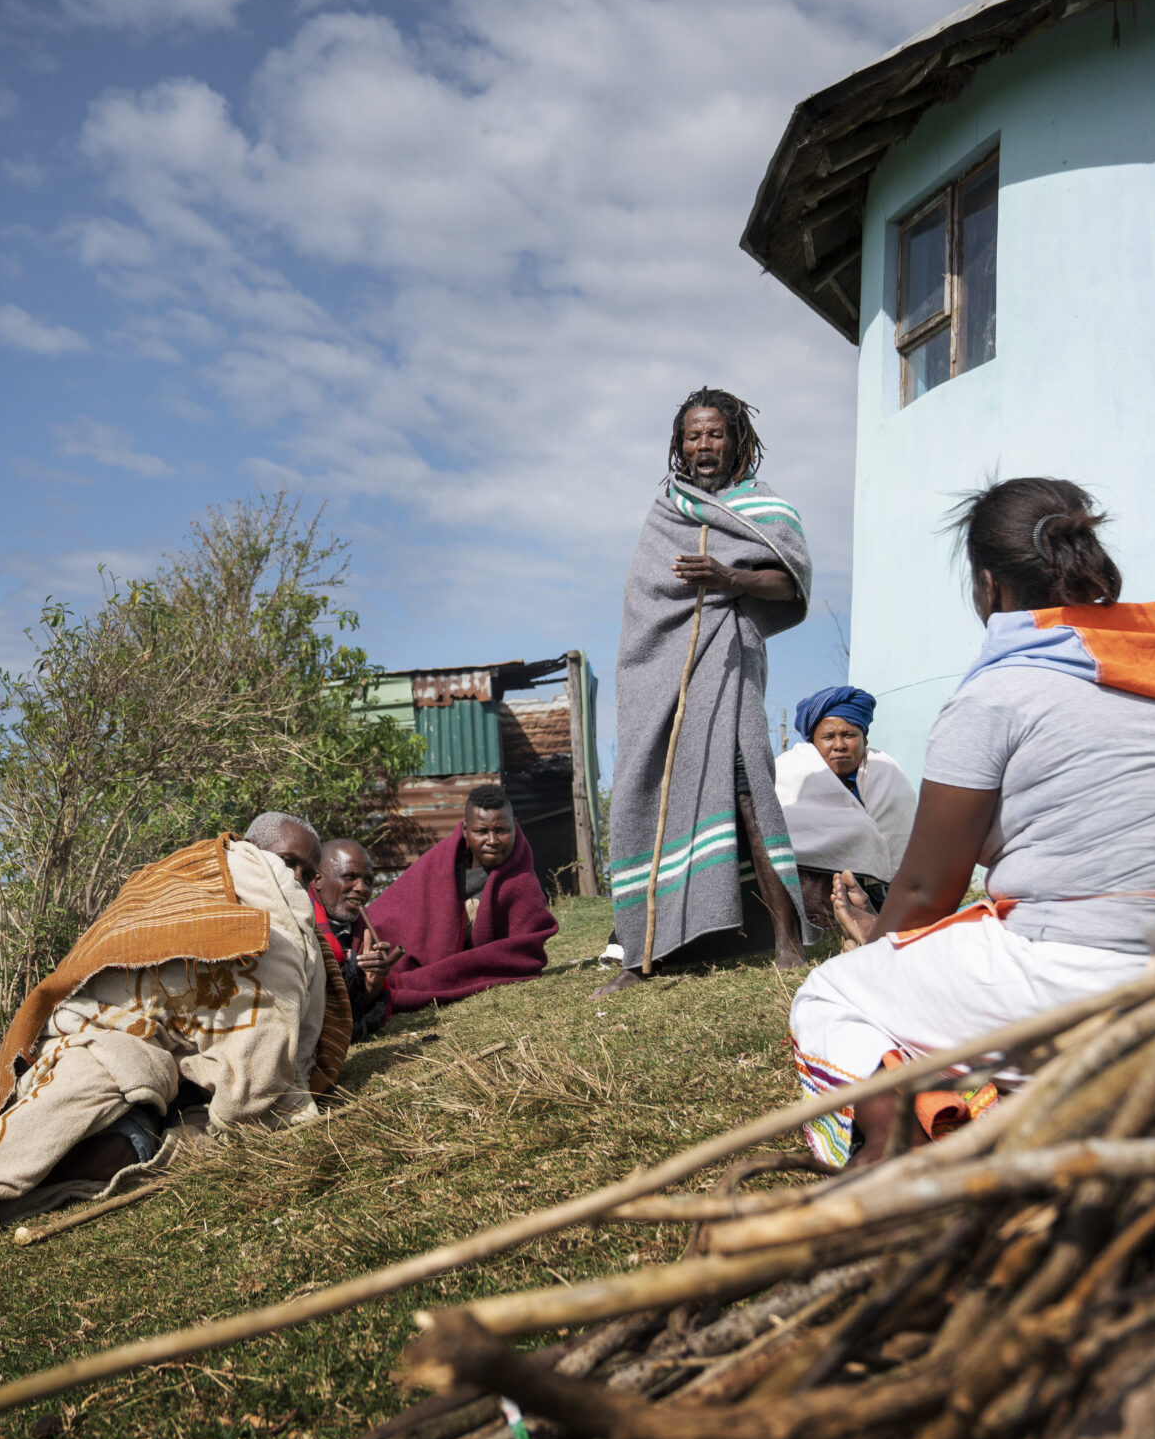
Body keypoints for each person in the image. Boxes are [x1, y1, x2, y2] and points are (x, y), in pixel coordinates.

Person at [791, 478, 1155, 1170]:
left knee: (833, 991)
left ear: (989, 588)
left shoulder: (996, 693)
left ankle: (891, 1141)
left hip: (1066, 983)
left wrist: (876, 947)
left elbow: (931, 885)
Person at [0, 812, 346, 1258]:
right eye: (288, 862)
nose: (290, 878)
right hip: (97, 1049)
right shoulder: (194, 884)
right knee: (63, 1136)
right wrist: (262, 1107)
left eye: (303, 871)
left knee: (117, 1143)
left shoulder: (256, 909)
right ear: (251, 850)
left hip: (154, 1072)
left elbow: (257, 1024)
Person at [601, 388, 814, 996]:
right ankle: (641, 957)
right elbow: (643, 603)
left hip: (728, 663)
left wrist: (730, 577)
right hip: (663, 673)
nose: (703, 446)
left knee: (748, 789)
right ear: (679, 443)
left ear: (737, 437)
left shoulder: (761, 507)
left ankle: (787, 941)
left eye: (715, 434)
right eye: (693, 436)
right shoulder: (667, 510)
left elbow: (790, 581)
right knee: (650, 793)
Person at [366, 784, 557, 1008]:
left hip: (459, 969)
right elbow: (393, 908)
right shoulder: (440, 863)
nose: (493, 840)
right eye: (482, 831)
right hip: (408, 961)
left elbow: (526, 952)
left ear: (515, 827)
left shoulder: (522, 880)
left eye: (502, 830)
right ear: (466, 830)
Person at [774, 684, 915, 908]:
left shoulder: (886, 774)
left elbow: (901, 840)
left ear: (865, 740)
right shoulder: (791, 773)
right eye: (828, 737)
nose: (839, 746)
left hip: (887, 898)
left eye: (849, 735)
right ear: (813, 743)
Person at [312, 837, 399, 1041]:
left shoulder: (360, 934)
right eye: (349, 876)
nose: (362, 888)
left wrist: (373, 983)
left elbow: (353, 1013)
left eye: (368, 880)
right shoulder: (299, 927)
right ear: (317, 879)